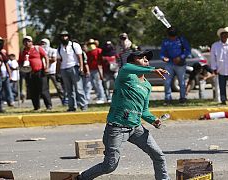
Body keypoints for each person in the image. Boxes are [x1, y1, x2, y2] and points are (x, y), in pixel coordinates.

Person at [77, 50, 170, 180]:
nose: (146, 60)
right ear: (132, 62)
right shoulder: (126, 74)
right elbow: (126, 66)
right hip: (117, 128)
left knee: (159, 156)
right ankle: (81, 178)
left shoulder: (147, 85)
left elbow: (144, 110)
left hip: (136, 128)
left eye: (147, 59)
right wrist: (153, 69)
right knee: (109, 166)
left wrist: (154, 120)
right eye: (141, 58)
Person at [56, 31, 88, 111]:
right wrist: (58, 72)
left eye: (65, 36)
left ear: (68, 37)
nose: (64, 38)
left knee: (79, 88)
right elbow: (59, 61)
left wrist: (81, 67)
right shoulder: (60, 47)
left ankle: (83, 105)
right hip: (64, 69)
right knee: (68, 90)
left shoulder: (74, 45)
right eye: (62, 36)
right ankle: (71, 106)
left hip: (74, 67)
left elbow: (80, 57)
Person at [19, 36, 52, 111]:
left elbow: (46, 57)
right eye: (25, 41)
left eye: (28, 41)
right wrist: (22, 68)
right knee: (33, 91)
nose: (27, 43)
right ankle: (36, 107)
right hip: (29, 73)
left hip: (40, 72)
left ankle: (48, 106)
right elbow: (20, 62)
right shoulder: (22, 51)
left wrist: (46, 67)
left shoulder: (37, 48)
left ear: (31, 42)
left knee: (43, 90)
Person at [160, 27, 191, 105]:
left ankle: (182, 98)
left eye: (173, 36)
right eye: (170, 36)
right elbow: (162, 53)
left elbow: (188, 50)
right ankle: (168, 99)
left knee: (181, 81)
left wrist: (180, 57)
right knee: (167, 81)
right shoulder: (165, 41)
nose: (172, 38)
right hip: (169, 63)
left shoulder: (181, 40)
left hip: (180, 64)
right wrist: (163, 58)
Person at [40, 38, 66, 105]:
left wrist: (45, 58)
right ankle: (49, 104)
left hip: (52, 71)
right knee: (45, 88)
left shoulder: (53, 50)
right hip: (44, 71)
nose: (42, 45)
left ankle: (64, 101)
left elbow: (54, 59)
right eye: (41, 43)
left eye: (44, 43)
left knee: (58, 87)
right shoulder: (40, 51)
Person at [86, 39, 105, 104]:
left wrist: (101, 70)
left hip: (97, 69)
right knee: (88, 85)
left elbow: (101, 61)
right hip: (90, 70)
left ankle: (101, 98)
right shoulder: (87, 52)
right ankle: (87, 98)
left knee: (98, 84)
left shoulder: (99, 51)